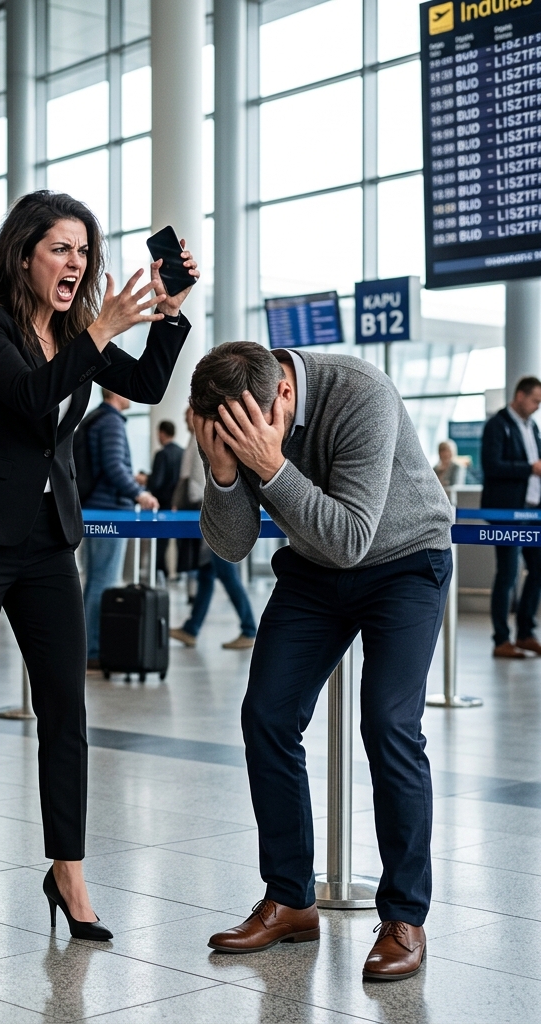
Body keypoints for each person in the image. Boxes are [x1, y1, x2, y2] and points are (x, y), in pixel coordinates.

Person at [0, 191, 196, 951]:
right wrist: (100, 330)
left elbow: (147, 387)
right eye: (61, 249)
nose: (76, 263)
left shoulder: (76, 330)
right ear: (25, 253)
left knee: (66, 713)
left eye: (84, 252)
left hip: (47, 542)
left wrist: (167, 313)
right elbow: (28, 397)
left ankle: (67, 871)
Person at [193, 341, 453, 982]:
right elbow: (231, 545)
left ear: (283, 394)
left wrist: (272, 466)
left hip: (403, 560)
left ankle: (404, 917)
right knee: (267, 716)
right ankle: (290, 899)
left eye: (247, 428)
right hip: (314, 569)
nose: (242, 440)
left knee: (389, 724)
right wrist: (225, 473)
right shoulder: (241, 412)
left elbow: (351, 537)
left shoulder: (362, 393)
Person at [81, 389, 159, 670]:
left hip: (95, 508)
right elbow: (114, 467)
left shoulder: (96, 419)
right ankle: (92, 650)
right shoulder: (111, 422)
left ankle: (88, 646)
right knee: (103, 582)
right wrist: (139, 493)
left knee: (95, 580)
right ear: (114, 392)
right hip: (109, 512)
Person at [169, 410, 257, 650]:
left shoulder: (205, 439)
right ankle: (191, 628)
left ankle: (249, 628)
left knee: (226, 574)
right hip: (204, 514)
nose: (187, 417)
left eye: (190, 413)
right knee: (206, 574)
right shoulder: (192, 440)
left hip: (210, 514)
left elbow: (200, 482)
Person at [481, 376, 541, 659]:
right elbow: (492, 466)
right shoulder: (498, 424)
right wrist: (530, 467)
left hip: (533, 511)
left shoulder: (533, 427)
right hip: (507, 512)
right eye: (535, 400)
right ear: (520, 395)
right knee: (507, 574)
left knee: (537, 569)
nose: (537, 406)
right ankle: (501, 639)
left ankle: (526, 632)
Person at [139, 419, 182, 579]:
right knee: (179, 544)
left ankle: (159, 574)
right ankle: (177, 574)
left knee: (160, 544)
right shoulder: (181, 452)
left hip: (162, 505)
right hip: (178, 505)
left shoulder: (162, 454)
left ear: (162, 433)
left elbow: (157, 482)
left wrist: (146, 480)